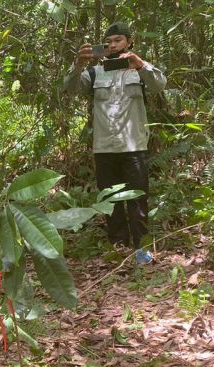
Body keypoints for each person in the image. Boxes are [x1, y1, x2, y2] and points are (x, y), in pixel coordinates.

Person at [63, 22, 167, 265]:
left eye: (118, 40)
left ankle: (142, 249)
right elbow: (71, 89)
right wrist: (78, 65)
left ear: (129, 42)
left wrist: (140, 65)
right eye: (108, 42)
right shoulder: (94, 73)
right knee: (111, 201)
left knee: (138, 200)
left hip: (134, 147)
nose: (112, 45)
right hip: (105, 148)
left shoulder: (138, 71)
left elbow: (160, 85)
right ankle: (118, 248)